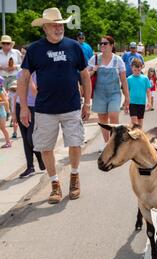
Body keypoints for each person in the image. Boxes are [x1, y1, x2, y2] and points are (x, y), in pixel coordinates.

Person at [18, 7, 92, 204]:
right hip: (45, 109)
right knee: (45, 147)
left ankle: (74, 177)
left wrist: (88, 103)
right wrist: (24, 107)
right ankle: (54, 184)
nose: (59, 28)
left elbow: (85, 76)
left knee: (75, 143)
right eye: (54, 25)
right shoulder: (34, 49)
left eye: (61, 25)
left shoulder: (74, 47)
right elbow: (24, 78)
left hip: (72, 106)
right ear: (45, 28)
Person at [88, 35, 130, 152]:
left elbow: (123, 80)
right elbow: (86, 76)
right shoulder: (94, 59)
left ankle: (115, 142)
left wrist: (127, 97)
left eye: (105, 43)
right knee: (102, 119)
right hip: (99, 93)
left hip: (114, 93)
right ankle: (106, 143)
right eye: (101, 43)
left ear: (111, 45)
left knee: (113, 115)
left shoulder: (118, 60)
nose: (102, 45)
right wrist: (93, 70)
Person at [14, 68, 46, 178]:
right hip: (21, 107)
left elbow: (35, 92)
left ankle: (40, 157)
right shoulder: (20, 73)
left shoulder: (40, 73)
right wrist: (14, 112)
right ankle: (30, 167)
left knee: (30, 138)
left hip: (34, 108)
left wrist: (29, 77)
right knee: (25, 138)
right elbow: (17, 93)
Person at [126, 58, 152, 127]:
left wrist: (149, 102)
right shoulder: (129, 79)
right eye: (135, 70)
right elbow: (127, 92)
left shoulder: (145, 79)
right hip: (132, 103)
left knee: (140, 123)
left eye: (139, 70)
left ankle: (139, 137)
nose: (137, 72)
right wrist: (126, 103)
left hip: (141, 103)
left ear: (141, 68)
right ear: (131, 68)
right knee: (135, 122)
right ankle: (133, 135)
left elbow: (148, 91)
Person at [0, 76, 11, 148]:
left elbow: (6, 102)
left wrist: (8, 112)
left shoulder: (0, 91)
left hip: (1, 113)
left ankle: (8, 142)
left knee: (3, 128)